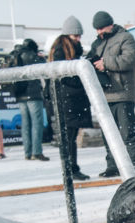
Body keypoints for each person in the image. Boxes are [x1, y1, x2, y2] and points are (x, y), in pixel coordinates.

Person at [88, 11, 135, 177]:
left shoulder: (125, 38)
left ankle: (133, 166)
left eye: (101, 28)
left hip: (122, 93)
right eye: (97, 29)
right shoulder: (97, 43)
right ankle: (112, 165)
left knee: (127, 132)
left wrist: (106, 63)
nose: (99, 32)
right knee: (108, 134)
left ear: (110, 24)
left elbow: (130, 59)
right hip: (104, 94)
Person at [48, 16, 92, 181]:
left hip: (69, 98)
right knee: (69, 136)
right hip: (68, 98)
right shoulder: (62, 51)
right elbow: (64, 76)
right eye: (76, 36)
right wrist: (81, 80)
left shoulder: (69, 50)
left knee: (70, 136)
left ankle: (70, 167)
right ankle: (70, 168)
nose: (78, 39)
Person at [10, 38, 49, 161]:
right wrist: (42, 57)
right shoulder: (31, 54)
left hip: (20, 94)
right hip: (33, 94)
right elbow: (44, 67)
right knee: (37, 123)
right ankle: (36, 152)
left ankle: (27, 152)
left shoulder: (15, 54)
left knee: (25, 124)